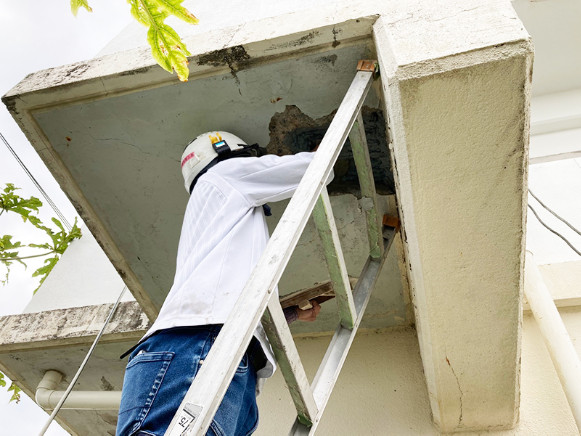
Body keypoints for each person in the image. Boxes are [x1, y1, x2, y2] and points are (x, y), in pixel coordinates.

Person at [116, 131, 326, 436]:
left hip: (216, 349)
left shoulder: (220, 210)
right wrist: (322, 148)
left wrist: (292, 314)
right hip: (199, 343)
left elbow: (234, 302)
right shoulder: (225, 174)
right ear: (227, 152)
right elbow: (314, 169)